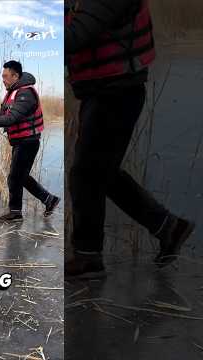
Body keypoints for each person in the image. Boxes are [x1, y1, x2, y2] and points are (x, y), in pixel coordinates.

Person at [64, 0, 195, 278]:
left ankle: (88, 257)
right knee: (101, 172)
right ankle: (169, 227)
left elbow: (75, 36)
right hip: (106, 89)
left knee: (87, 174)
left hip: (116, 92)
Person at [0, 60, 60, 223]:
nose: (3, 80)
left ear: (16, 76)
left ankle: (15, 213)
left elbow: (11, 118)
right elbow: (2, 113)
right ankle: (49, 200)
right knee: (21, 176)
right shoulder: (13, 92)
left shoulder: (25, 93)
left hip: (28, 141)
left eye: (6, 76)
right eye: (2, 76)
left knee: (15, 177)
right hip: (21, 141)